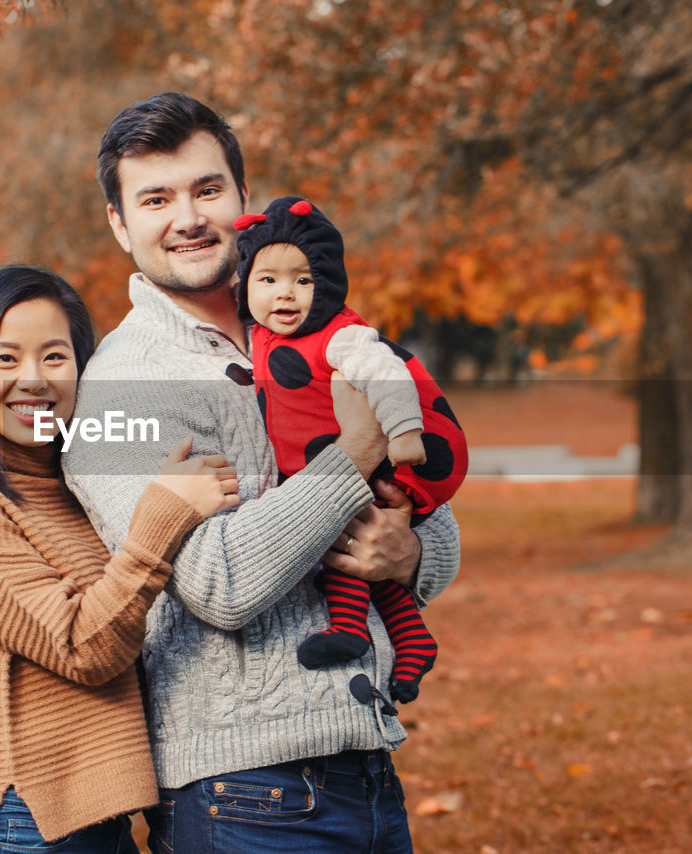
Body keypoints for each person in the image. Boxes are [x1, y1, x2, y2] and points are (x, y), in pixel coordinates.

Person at [62, 93, 461, 852]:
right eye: (155, 199)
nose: (187, 217)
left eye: (206, 189)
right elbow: (218, 584)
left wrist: (411, 556)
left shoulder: (316, 330)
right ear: (119, 223)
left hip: (368, 766)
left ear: (243, 199)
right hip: (241, 797)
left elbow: (437, 523)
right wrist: (355, 452)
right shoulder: (118, 389)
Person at [0, 265, 240, 854]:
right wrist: (162, 514)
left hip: (96, 819)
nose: (33, 380)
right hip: (28, 821)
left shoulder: (73, 484)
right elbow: (81, 646)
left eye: (55, 357)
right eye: (4, 359)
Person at [235, 195, 469, 703]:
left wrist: (403, 433)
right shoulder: (259, 336)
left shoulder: (341, 336)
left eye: (303, 281)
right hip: (331, 464)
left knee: (339, 539)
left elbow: (387, 376)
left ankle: (350, 629)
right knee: (362, 547)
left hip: (379, 465)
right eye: (268, 281)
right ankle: (414, 640)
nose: (286, 295)